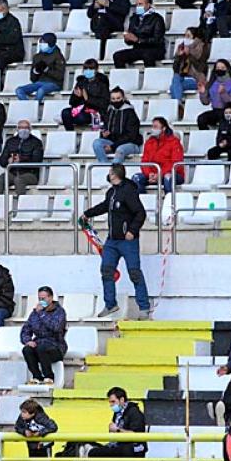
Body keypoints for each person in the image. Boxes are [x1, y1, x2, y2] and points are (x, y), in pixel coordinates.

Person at [83, 164, 150, 318]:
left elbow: (140, 213)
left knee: (134, 273)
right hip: (112, 241)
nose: (108, 175)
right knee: (106, 270)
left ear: (114, 175)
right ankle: (110, 304)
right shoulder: (111, 192)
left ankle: (144, 308)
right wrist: (88, 214)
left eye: (110, 173)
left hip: (128, 242)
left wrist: (132, 231)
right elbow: (104, 206)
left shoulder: (129, 191)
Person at [88, 387, 147, 461]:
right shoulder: (117, 413)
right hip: (118, 446)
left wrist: (117, 430)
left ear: (122, 400)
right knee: (93, 453)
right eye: (110, 402)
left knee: (127, 450)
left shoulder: (134, 412)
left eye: (113, 402)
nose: (111, 405)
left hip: (135, 448)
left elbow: (136, 435)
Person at [17, 287, 65, 386]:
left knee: (42, 348)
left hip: (55, 346)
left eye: (44, 298)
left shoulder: (59, 312)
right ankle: (36, 376)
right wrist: (28, 341)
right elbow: (26, 330)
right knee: (27, 349)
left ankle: (49, 376)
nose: (41, 301)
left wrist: (42, 314)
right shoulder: (34, 314)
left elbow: (55, 327)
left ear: (51, 298)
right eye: (40, 298)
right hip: (39, 343)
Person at [113, 0, 166, 68]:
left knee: (147, 55)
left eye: (140, 4)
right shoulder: (134, 18)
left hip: (154, 49)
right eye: (137, 4)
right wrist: (128, 39)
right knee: (117, 56)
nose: (138, 6)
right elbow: (131, 40)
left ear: (148, 5)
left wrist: (138, 40)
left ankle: (149, 77)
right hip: (138, 49)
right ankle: (123, 77)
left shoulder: (157, 19)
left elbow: (157, 40)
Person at [92, 87, 142, 165]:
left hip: (130, 144)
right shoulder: (110, 111)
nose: (116, 101)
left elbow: (131, 136)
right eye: (113, 99)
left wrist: (113, 147)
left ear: (123, 98)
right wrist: (104, 134)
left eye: (118, 98)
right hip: (113, 142)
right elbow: (105, 127)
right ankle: (104, 166)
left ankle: (115, 170)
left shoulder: (130, 113)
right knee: (97, 143)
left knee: (120, 149)